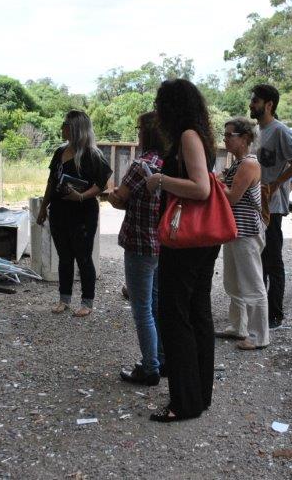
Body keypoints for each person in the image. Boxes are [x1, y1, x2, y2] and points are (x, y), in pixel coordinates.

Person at [144, 79, 220, 422]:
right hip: (201, 239)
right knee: (197, 313)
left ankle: (184, 402)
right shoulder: (199, 135)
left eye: (160, 104)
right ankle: (199, 395)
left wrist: (160, 180)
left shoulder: (188, 136)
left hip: (187, 240)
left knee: (176, 316)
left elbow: (201, 188)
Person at [36, 110, 112, 318]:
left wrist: (81, 196)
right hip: (59, 211)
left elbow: (102, 184)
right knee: (64, 257)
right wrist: (43, 208)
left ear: (76, 129)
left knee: (84, 257)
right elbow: (51, 181)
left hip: (83, 213)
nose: (62, 128)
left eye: (66, 124)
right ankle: (64, 299)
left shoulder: (93, 155)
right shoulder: (60, 152)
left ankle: (87, 301)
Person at [109, 111, 166, 386]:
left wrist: (113, 196)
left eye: (139, 128)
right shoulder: (171, 163)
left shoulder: (141, 165)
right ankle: (162, 359)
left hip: (139, 244)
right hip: (162, 243)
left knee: (141, 309)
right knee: (155, 305)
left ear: (147, 133)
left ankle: (150, 367)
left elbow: (121, 198)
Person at [249, 85, 292, 330]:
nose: (251, 104)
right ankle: (259, 310)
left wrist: (276, 183)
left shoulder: (280, 130)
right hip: (255, 206)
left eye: (255, 100)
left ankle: (275, 314)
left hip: (272, 207)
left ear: (269, 104)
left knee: (273, 261)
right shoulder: (256, 131)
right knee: (257, 260)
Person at [215, 117, 269, 351]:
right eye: (225, 135)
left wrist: (213, 181)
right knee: (233, 281)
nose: (225, 139)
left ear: (245, 138)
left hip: (247, 231)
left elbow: (232, 197)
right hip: (235, 229)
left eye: (230, 135)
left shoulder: (248, 164)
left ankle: (259, 336)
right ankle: (239, 326)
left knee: (252, 282)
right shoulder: (238, 163)